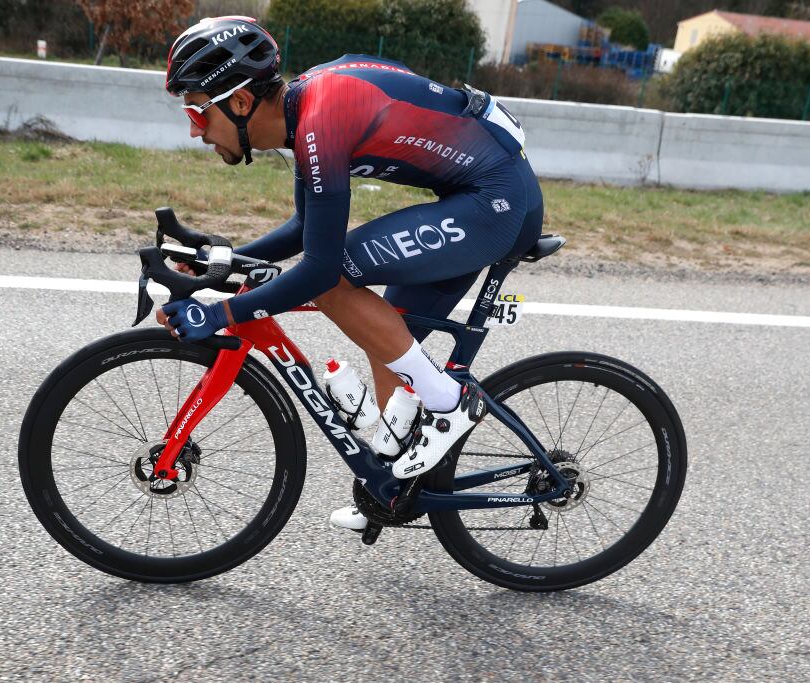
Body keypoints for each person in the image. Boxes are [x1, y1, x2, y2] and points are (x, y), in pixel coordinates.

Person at [156, 16, 543, 531]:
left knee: (337, 280)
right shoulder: (306, 112)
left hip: (494, 203)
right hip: (478, 196)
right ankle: (396, 491)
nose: (193, 130)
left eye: (197, 113)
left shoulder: (321, 122)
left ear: (242, 102)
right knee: (389, 337)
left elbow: (318, 268)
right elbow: (305, 226)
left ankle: (450, 404)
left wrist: (220, 312)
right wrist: (225, 260)